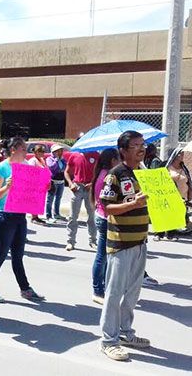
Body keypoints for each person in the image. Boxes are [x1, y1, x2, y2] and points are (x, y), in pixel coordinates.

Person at [98, 130, 150, 361]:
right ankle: (109, 341)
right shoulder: (115, 174)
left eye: (143, 145)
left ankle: (126, 332)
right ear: (123, 150)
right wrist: (132, 204)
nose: (142, 149)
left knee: (132, 293)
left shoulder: (145, 173)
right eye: (136, 145)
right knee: (115, 293)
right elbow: (106, 207)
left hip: (140, 241)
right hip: (120, 244)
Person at [0, 137, 45, 304]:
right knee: (1, 254)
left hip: (19, 214)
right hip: (3, 214)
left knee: (18, 255)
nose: (26, 152)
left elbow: (32, 191)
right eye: (24, 149)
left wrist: (41, 185)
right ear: (13, 150)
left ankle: (25, 289)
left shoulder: (26, 166)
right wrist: (7, 186)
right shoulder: (1, 167)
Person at [90, 148, 120, 305]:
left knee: (106, 256)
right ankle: (97, 290)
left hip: (102, 216)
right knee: (102, 256)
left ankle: (102, 287)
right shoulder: (107, 176)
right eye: (119, 159)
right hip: (105, 218)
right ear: (113, 161)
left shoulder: (103, 173)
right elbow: (107, 201)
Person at [153, 147, 191, 242]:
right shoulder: (164, 166)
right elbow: (158, 178)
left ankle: (171, 234)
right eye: (180, 154)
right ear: (174, 155)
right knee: (163, 214)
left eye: (182, 153)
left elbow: (188, 180)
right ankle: (159, 234)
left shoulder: (183, 167)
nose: (182, 155)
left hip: (180, 196)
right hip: (166, 195)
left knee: (174, 215)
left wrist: (189, 193)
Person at [64, 150, 99, 251]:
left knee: (91, 216)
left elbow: (100, 172)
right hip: (77, 187)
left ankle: (93, 241)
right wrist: (70, 183)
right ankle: (70, 241)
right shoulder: (74, 155)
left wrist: (92, 183)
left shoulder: (95, 155)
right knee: (73, 216)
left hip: (89, 188)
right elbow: (67, 171)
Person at [28, 144, 49, 225]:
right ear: (36, 152)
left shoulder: (42, 160)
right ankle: (34, 217)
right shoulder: (32, 161)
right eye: (42, 151)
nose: (43, 153)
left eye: (44, 151)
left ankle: (36, 216)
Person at [45, 144, 67, 223]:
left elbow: (65, 167)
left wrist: (61, 161)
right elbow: (51, 167)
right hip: (53, 181)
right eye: (58, 151)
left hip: (61, 181)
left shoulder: (63, 159)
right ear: (53, 152)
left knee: (58, 198)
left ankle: (57, 214)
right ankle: (48, 215)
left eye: (61, 150)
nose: (60, 152)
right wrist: (56, 160)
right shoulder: (49, 159)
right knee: (50, 199)